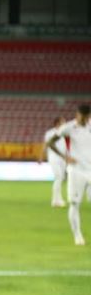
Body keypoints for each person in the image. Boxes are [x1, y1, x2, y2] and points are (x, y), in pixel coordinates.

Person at [47, 104, 91, 246]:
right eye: (81, 116)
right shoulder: (69, 128)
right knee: (75, 203)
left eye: (85, 117)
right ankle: (77, 235)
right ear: (77, 115)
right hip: (76, 170)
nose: (83, 119)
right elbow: (50, 142)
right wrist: (65, 157)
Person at [42, 117, 67, 208]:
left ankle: (58, 199)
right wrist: (42, 156)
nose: (65, 124)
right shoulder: (50, 133)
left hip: (63, 158)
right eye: (63, 122)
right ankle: (55, 200)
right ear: (57, 123)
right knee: (58, 177)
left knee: (62, 178)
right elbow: (46, 144)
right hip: (54, 157)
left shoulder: (65, 133)